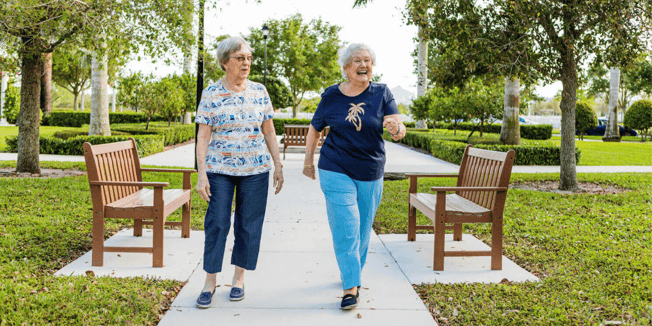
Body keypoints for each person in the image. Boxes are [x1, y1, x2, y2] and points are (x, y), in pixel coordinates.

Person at [302, 43, 406, 310]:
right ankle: (350, 288)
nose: (364, 65)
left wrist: (397, 129)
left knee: (362, 229)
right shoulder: (331, 96)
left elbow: (397, 126)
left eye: (368, 60)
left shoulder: (382, 92)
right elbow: (315, 129)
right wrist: (309, 162)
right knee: (347, 227)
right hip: (335, 167)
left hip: (371, 171)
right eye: (357, 61)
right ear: (346, 68)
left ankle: (352, 273)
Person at [194, 36, 284, 308]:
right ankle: (210, 281)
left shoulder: (259, 91)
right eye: (240, 58)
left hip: (255, 170)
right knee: (218, 223)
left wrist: (277, 163)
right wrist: (201, 174)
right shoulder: (211, 93)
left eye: (248, 58)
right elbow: (203, 137)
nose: (246, 63)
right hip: (219, 170)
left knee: (248, 225)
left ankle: (238, 279)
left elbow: (268, 129)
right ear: (225, 62)